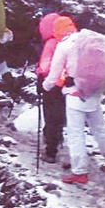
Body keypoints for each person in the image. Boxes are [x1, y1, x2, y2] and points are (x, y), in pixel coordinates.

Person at [43, 18, 105, 184]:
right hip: (94, 91)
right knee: (99, 128)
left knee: (76, 134)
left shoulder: (64, 45)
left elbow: (54, 74)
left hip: (75, 94)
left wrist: (46, 86)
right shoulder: (88, 41)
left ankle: (80, 172)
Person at [36, 12, 67, 164]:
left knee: (50, 116)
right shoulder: (69, 41)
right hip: (66, 83)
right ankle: (59, 137)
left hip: (52, 84)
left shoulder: (51, 43)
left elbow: (45, 65)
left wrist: (40, 75)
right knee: (60, 113)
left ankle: (50, 151)